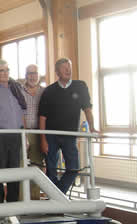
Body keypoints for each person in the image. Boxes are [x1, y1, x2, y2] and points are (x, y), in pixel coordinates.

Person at [39, 58, 97, 194]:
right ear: (57, 71)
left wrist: (92, 127)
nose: (68, 70)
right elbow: (42, 117)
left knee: (73, 168)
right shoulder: (49, 90)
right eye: (64, 68)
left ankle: (57, 196)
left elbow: (87, 109)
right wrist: (43, 139)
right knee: (51, 170)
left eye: (69, 67)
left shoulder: (80, 86)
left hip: (70, 136)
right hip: (51, 136)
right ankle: (57, 202)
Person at [0, 60, 25, 204]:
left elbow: (21, 115)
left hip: (16, 135)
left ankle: (14, 205)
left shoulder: (16, 89)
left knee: (15, 172)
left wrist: (24, 136)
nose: (6, 73)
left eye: (7, 69)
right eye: (2, 70)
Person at [20, 64, 45, 200]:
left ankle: (34, 199)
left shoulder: (44, 91)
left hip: (39, 133)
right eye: (29, 73)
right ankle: (22, 200)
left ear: (39, 75)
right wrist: (23, 134)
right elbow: (19, 113)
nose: (32, 76)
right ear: (25, 75)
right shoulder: (19, 91)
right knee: (21, 166)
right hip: (23, 132)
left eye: (34, 73)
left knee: (37, 167)